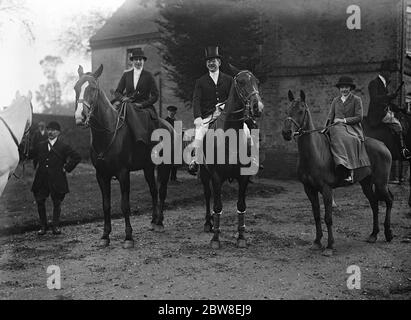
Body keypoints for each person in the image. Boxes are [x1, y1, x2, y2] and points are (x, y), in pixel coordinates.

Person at [188, 46, 234, 175]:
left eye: (213, 61)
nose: (211, 63)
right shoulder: (201, 81)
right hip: (208, 116)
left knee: (246, 129)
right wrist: (197, 117)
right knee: (200, 132)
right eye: (208, 61)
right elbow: (196, 100)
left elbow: (232, 98)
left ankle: (250, 158)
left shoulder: (229, 80)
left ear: (219, 62)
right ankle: (195, 160)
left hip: (226, 115)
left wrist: (225, 106)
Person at [30, 121, 81, 235]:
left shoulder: (63, 146)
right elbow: (29, 154)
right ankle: (43, 226)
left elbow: (77, 157)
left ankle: (55, 226)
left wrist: (67, 168)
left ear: (58, 132)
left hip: (57, 179)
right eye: (49, 129)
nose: (50, 132)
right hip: (41, 178)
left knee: (57, 202)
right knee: (40, 201)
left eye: (53, 130)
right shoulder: (40, 145)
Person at [326, 76, 371, 183]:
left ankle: (347, 169)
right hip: (336, 127)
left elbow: (359, 117)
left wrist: (343, 120)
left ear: (350, 88)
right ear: (339, 89)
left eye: (346, 87)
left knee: (337, 132)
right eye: (342, 87)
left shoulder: (356, 100)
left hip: (352, 128)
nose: (344, 89)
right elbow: (330, 116)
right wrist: (325, 128)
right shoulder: (335, 100)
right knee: (327, 135)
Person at [113, 47, 159, 145]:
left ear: (143, 61)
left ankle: (140, 137)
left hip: (144, 107)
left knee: (141, 114)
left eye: (140, 59)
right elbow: (117, 92)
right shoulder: (126, 75)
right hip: (127, 105)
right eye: (136, 59)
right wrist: (123, 98)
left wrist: (142, 104)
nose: (138, 62)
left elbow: (155, 96)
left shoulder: (148, 75)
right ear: (132, 62)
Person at [368, 60, 411, 159]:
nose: (390, 74)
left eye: (390, 72)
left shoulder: (384, 84)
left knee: (400, 119)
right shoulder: (374, 83)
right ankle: (403, 149)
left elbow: (387, 102)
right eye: (389, 72)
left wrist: (400, 109)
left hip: (385, 111)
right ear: (383, 72)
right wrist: (388, 96)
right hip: (377, 114)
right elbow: (375, 99)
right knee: (398, 125)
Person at [165, 105, 179, 181]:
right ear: (168, 112)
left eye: (173, 111)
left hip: (176, 143)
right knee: (167, 162)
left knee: (175, 161)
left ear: (175, 112)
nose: (171, 113)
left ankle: (174, 178)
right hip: (167, 143)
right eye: (170, 111)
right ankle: (166, 178)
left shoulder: (177, 122)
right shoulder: (165, 121)